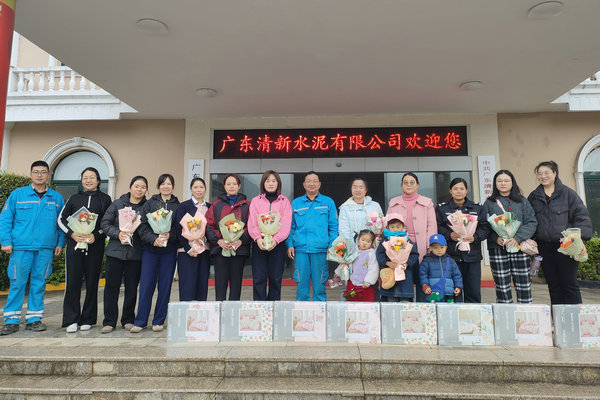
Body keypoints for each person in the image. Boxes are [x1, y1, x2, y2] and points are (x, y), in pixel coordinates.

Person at [0, 161, 65, 335]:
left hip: (45, 248)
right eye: (36, 172)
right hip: (20, 248)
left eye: (43, 172)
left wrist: (60, 243)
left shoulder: (56, 198)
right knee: (17, 283)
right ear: (30, 174)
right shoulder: (17, 195)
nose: (39, 175)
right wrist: (5, 241)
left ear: (48, 175)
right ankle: (11, 321)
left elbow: (61, 223)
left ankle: (34, 319)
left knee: (39, 283)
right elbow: (5, 219)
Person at [528, 161, 593, 305]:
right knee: (553, 284)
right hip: (544, 247)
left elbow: (581, 218)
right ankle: (558, 316)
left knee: (569, 283)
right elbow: (529, 220)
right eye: (540, 174)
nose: (543, 176)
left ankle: (574, 316)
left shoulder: (568, 194)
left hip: (566, 245)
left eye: (547, 173)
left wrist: (581, 240)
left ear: (555, 173)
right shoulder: (533, 197)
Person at [59, 167, 112, 333]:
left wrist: (96, 235)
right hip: (74, 246)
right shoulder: (73, 198)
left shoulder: (105, 199)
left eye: (92, 177)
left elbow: (108, 222)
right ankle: (71, 319)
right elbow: (61, 220)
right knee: (72, 282)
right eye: (85, 178)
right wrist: (72, 234)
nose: (88, 180)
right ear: (81, 180)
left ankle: (88, 318)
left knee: (92, 282)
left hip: (95, 247)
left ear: (98, 180)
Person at [131, 174, 180, 333]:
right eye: (163, 184)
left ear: (173, 186)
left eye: (169, 184)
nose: (166, 186)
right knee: (146, 285)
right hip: (150, 250)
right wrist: (154, 239)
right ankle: (140, 321)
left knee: (165, 287)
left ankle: (158, 320)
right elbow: (142, 225)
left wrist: (169, 235)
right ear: (158, 186)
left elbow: (180, 228)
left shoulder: (177, 206)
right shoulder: (150, 203)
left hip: (169, 251)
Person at [99, 176, 148, 333]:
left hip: (135, 254)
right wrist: (118, 233)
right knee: (111, 288)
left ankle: (128, 319)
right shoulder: (118, 204)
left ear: (146, 190)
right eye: (136, 186)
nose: (139, 189)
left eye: (143, 187)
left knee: (132, 288)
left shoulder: (146, 207)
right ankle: (109, 321)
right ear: (130, 187)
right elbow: (105, 223)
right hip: (115, 253)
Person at [482, 170, 537, 304]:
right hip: (498, 248)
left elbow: (532, 222)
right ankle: (504, 313)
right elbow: (484, 225)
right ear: (495, 184)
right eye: (499, 181)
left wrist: (517, 237)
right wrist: (495, 238)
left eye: (506, 180)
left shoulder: (522, 201)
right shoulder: (489, 203)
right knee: (502, 285)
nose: (503, 183)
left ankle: (525, 312)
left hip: (519, 247)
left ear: (512, 183)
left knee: (523, 284)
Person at [435, 178, 489, 303]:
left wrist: (475, 237)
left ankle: (473, 314)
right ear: (450, 191)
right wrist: (449, 235)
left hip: (472, 256)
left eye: (461, 188)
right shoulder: (442, 208)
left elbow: (485, 228)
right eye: (455, 189)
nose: (458, 191)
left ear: (466, 191)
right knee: (453, 290)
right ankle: (454, 313)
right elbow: (437, 226)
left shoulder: (477, 208)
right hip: (451, 255)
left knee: (473, 291)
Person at [287, 171, 338, 301]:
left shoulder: (328, 202)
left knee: (320, 285)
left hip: (320, 250)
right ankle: (302, 311)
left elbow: (333, 226)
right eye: (308, 181)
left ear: (319, 184)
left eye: (315, 181)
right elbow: (290, 227)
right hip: (301, 250)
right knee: (301, 285)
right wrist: (290, 244)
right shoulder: (296, 203)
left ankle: (319, 311)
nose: (311, 184)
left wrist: (332, 245)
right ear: (304, 184)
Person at [387, 172, 437, 302]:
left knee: (422, 278)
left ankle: (422, 307)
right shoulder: (393, 203)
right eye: (406, 182)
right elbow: (387, 225)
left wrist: (430, 245)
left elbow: (431, 225)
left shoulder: (427, 202)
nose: (408, 185)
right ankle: (406, 305)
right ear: (401, 185)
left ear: (417, 185)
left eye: (412, 182)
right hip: (399, 247)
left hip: (421, 246)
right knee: (404, 278)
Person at [248, 170, 292, 301]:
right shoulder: (256, 201)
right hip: (259, 244)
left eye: (274, 181)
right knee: (259, 279)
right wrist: (257, 238)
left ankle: (273, 308)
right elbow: (252, 222)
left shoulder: (284, 201)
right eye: (267, 181)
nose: (271, 183)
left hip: (277, 245)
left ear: (278, 183)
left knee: (275, 279)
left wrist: (276, 240)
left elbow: (286, 223)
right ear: (263, 183)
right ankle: (260, 308)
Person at [205, 174, 251, 301]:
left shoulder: (246, 205)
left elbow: (251, 226)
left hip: (239, 250)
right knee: (220, 284)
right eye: (228, 184)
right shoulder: (216, 205)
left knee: (236, 285)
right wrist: (219, 240)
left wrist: (240, 240)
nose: (231, 186)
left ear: (239, 186)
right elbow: (209, 225)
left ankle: (233, 311)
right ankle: (219, 310)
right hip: (221, 250)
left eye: (234, 184)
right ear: (224, 186)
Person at [175, 177, 211, 302]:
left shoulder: (210, 207)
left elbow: (212, 228)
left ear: (205, 189)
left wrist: (206, 238)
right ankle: (186, 313)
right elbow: (178, 229)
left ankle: (200, 314)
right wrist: (188, 248)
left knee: (202, 286)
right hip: (187, 252)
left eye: (201, 187)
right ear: (191, 189)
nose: (198, 190)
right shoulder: (184, 206)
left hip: (204, 250)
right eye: (195, 187)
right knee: (187, 287)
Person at [376, 213, 419, 302]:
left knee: (405, 302)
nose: (395, 229)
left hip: (405, 276)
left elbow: (414, 254)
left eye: (398, 226)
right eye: (392, 227)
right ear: (387, 227)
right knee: (390, 301)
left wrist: (407, 263)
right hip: (390, 273)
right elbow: (379, 254)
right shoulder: (385, 240)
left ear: (402, 227)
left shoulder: (407, 239)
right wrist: (387, 262)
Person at [334, 230, 379, 302]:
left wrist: (368, 282)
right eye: (363, 240)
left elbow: (373, 269)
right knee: (352, 302)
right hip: (352, 283)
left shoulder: (371, 254)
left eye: (368, 241)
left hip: (365, 285)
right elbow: (345, 263)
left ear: (371, 243)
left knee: (366, 303)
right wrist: (338, 272)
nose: (364, 243)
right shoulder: (353, 252)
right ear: (358, 240)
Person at [420, 234, 462, 302]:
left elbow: (457, 275)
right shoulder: (427, 260)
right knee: (433, 308)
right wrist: (425, 285)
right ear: (430, 248)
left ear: (446, 247)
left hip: (449, 292)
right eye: (436, 248)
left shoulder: (451, 261)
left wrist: (458, 286)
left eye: (442, 247)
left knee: (449, 308)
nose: (439, 250)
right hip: (433, 292)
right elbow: (423, 275)